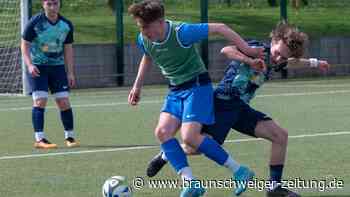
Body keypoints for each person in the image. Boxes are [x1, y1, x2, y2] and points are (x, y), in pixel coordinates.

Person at [146, 22, 330, 197]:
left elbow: (291, 62)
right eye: (277, 52)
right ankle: (167, 154)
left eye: (283, 56)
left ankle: (275, 188)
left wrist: (315, 62)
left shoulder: (278, 60)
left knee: (280, 136)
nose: (278, 58)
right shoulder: (256, 49)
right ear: (273, 42)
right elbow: (227, 50)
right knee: (198, 147)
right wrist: (248, 60)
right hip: (223, 102)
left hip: (241, 109)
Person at [127, 0, 263, 196]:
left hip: (197, 86)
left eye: (147, 26)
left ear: (160, 21)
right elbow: (148, 56)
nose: (144, 31)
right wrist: (137, 86)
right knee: (162, 132)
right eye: (141, 27)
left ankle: (239, 171)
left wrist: (248, 50)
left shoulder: (181, 32)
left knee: (190, 136)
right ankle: (191, 183)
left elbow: (221, 28)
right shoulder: (144, 38)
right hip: (175, 90)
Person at [21, 0, 79, 149]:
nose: (53, 7)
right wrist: (29, 65)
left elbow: (68, 49)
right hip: (38, 68)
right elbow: (24, 44)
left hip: (57, 68)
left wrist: (70, 72)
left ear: (59, 4)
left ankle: (70, 137)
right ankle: (39, 139)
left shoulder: (66, 25)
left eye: (55, 3)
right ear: (43, 5)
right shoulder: (35, 22)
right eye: (49, 4)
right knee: (40, 100)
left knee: (64, 102)